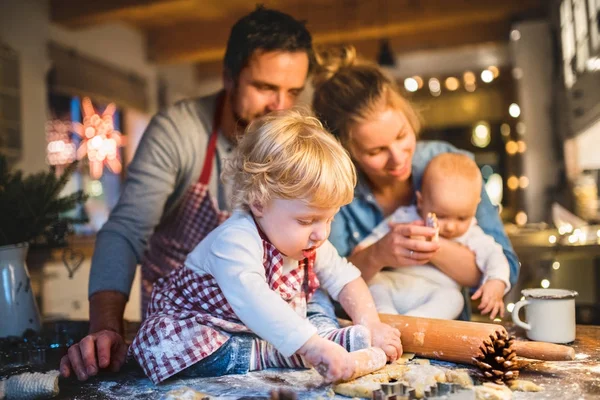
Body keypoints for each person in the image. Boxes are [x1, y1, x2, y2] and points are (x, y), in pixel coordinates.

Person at [60, 6, 316, 381]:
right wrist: (105, 327)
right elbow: (126, 230)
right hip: (184, 341)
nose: (280, 106)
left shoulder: (289, 142)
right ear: (229, 76)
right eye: (265, 87)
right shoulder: (178, 131)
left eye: (292, 91)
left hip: (268, 338)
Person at [129, 110, 402, 384]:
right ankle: (281, 353)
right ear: (259, 202)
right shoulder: (236, 240)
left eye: (329, 218)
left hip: (264, 328)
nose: (321, 233)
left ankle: (325, 339)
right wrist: (311, 346)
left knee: (317, 302)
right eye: (307, 220)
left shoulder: (310, 239)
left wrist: (371, 324)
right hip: (200, 326)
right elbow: (255, 300)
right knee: (167, 348)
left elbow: (345, 279)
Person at [311, 47, 519, 319]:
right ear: (346, 152)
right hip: (373, 323)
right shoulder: (334, 188)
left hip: (445, 324)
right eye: (376, 151)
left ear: (409, 118)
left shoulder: (451, 164)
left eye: (401, 135)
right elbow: (323, 284)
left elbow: (506, 268)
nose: (397, 159)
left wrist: (427, 244)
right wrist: (378, 254)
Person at [357, 153, 510, 320]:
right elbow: (372, 245)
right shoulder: (404, 218)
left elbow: (495, 256)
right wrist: (368, 248)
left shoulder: (472, 234)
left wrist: (497, 281)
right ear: (421, 202)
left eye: (462, 218)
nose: (451, 227)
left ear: (475, 207)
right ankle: (386, 316)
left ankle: (414, 322)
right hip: (394, 282)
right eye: (441, 216)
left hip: (435, 293)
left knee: (454, 299)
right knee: (373, 283)